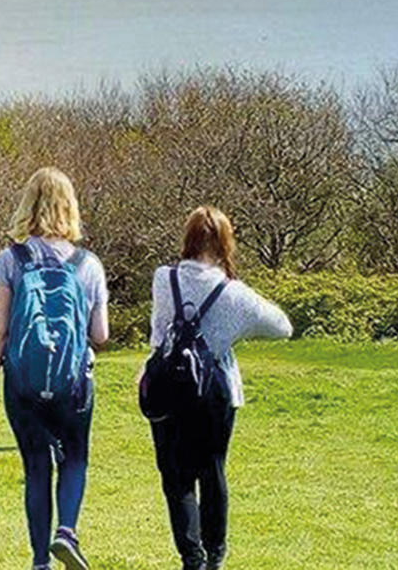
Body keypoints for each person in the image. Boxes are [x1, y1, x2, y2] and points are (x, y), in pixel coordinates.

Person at [0, 167, 110, 570]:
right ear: (71, 207)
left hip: (22, 385)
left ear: (27, 205)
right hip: (74, 382)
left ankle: (39, 562)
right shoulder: (88, 264)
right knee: (75, 459)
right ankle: (67, 532)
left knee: (35, 467)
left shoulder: (11, 260)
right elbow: (100, 334)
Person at [148, 206, 293, 570]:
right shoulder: (235, 293)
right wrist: (233, 333)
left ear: (189, 238)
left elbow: (158, 333)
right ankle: (216, 554)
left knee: (176, 478)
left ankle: (191, 557)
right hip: (216, 391)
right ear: (226, 242)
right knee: (212, 471)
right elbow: (283, 327)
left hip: (167, 385)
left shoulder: (164, 279)